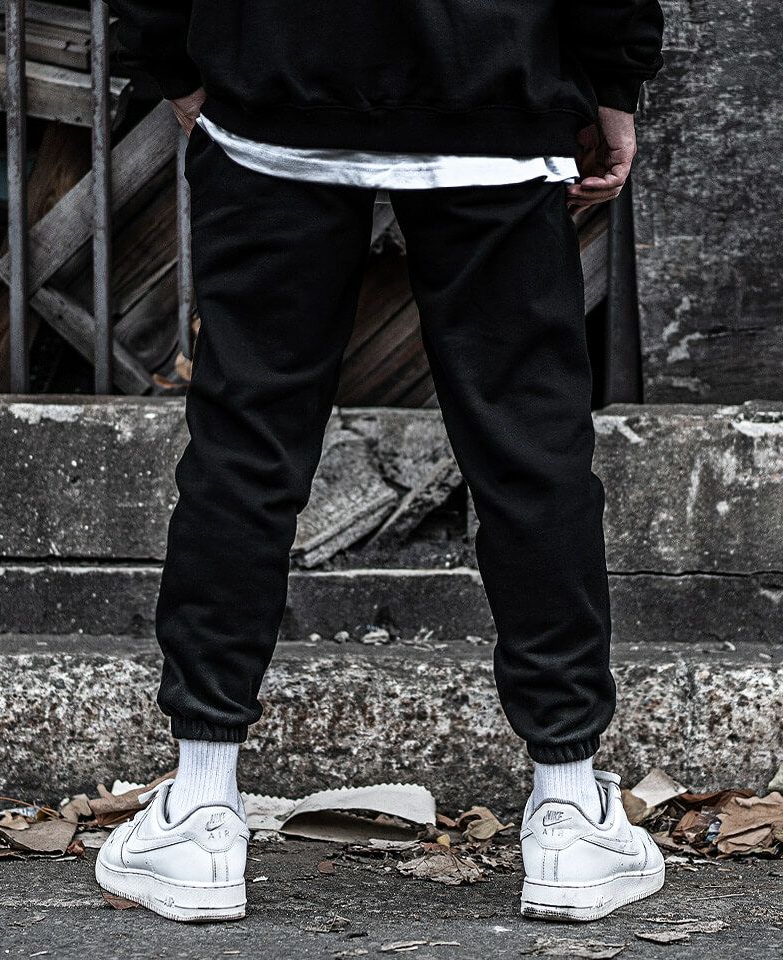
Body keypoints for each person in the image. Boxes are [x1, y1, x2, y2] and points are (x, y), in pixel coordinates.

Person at [95, 0, 665, 923]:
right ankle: (569, 814)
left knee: (246, 448)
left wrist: (177, 60)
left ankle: (200, 813)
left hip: (277, 83)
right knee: (531, 454)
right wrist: (613, 77)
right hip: (493, 87)